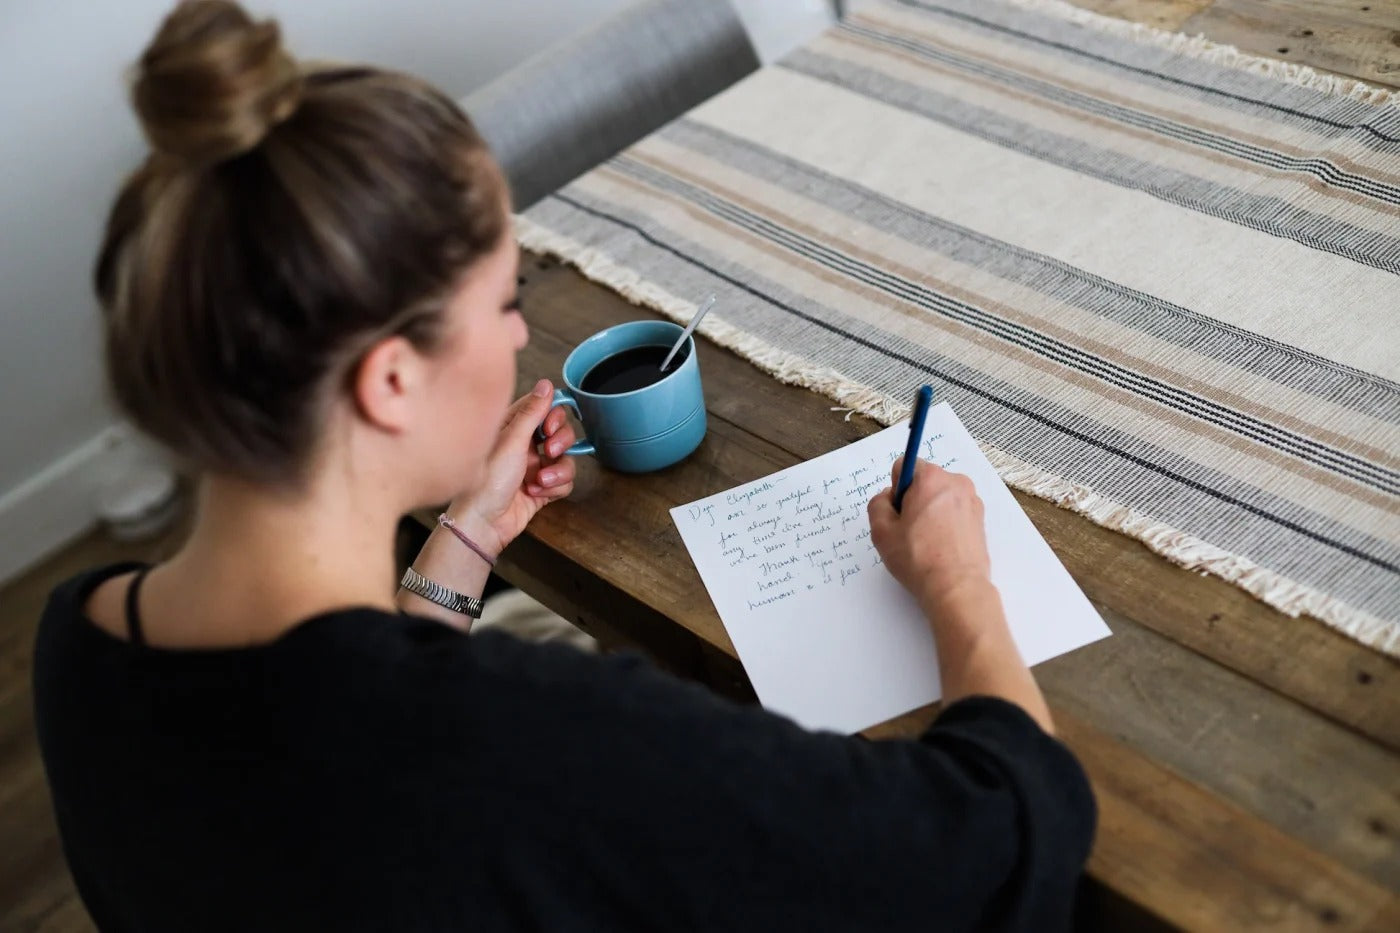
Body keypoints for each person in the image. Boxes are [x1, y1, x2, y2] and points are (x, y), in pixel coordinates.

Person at [32, 3, 1095, 930]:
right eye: (507, 302)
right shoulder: (537, 738)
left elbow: (322, 755)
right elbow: (991, 841)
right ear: (390, 380)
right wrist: (957, 581)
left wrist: (465, 539)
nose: (514, 343)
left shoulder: (79, 643)